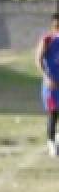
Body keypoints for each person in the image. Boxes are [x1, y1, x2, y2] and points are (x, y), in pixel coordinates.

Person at [35, 12, 59, 157]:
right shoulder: (47, 40)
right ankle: (51, 144)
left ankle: (57, 139)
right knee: (53, 113)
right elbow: (38, 59)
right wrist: (46, 77)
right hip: (51, 85)